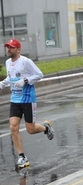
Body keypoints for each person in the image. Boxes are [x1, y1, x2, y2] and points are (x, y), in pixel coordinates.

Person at [0, 39, 55, 168]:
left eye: (12, 47)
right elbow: (10, 77)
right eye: (8, 47)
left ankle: (46, 128)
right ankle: (22, 157)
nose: (9, 49)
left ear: (18, 49)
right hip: (15, 99)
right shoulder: (8, 62)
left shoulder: (26, 62)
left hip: (28, 98)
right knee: (13, 127)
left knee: (31, 129)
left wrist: (25, 80)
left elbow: (39, 75)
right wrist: (3, 83)